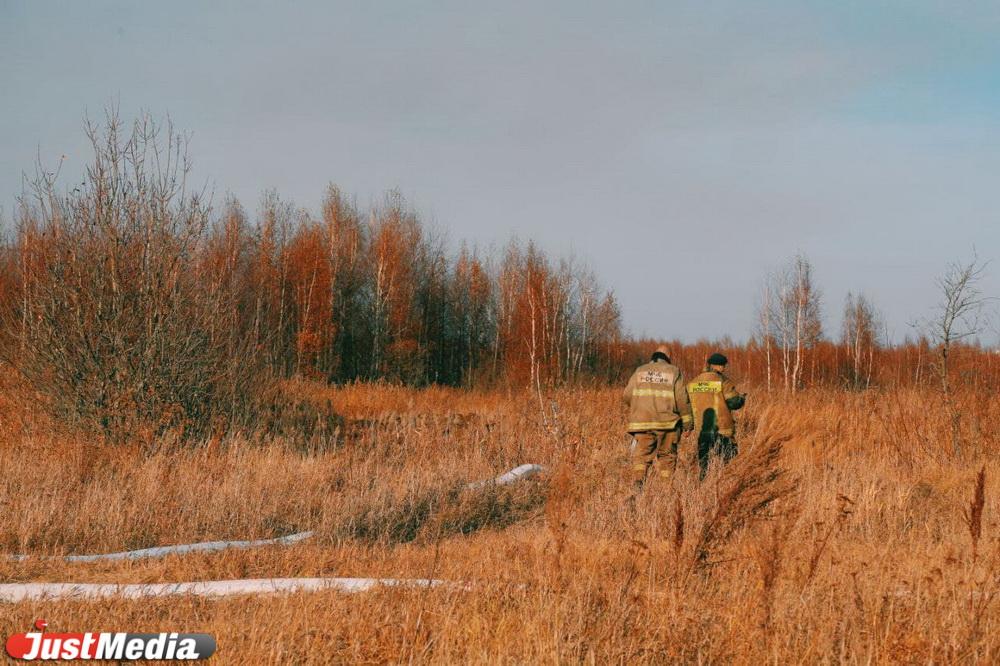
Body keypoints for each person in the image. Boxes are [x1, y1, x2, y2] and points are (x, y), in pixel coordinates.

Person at [623, 345, 693, 491]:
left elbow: (627, 395)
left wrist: (640, 408)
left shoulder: (640, 370)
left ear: (653, 356)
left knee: (641, 456)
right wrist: (688, 423)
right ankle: (666, 489)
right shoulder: (673, 371)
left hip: (642, 424)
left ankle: (638, 482)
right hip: (668, 424)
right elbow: (682, 399)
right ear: (668, 358)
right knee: (667, 457)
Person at [687, 352, 746, 479]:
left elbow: (688, 406)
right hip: (721, 429)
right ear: (719, 366)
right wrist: (741, 399)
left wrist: (689, 426)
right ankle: (725, 483)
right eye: (723, 366)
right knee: (729, 461)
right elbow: (734, 402)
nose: (724, 368)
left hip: (702, 429)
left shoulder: (693, 382)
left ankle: (703, 485)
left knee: (704, 464)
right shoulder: (722, 381)